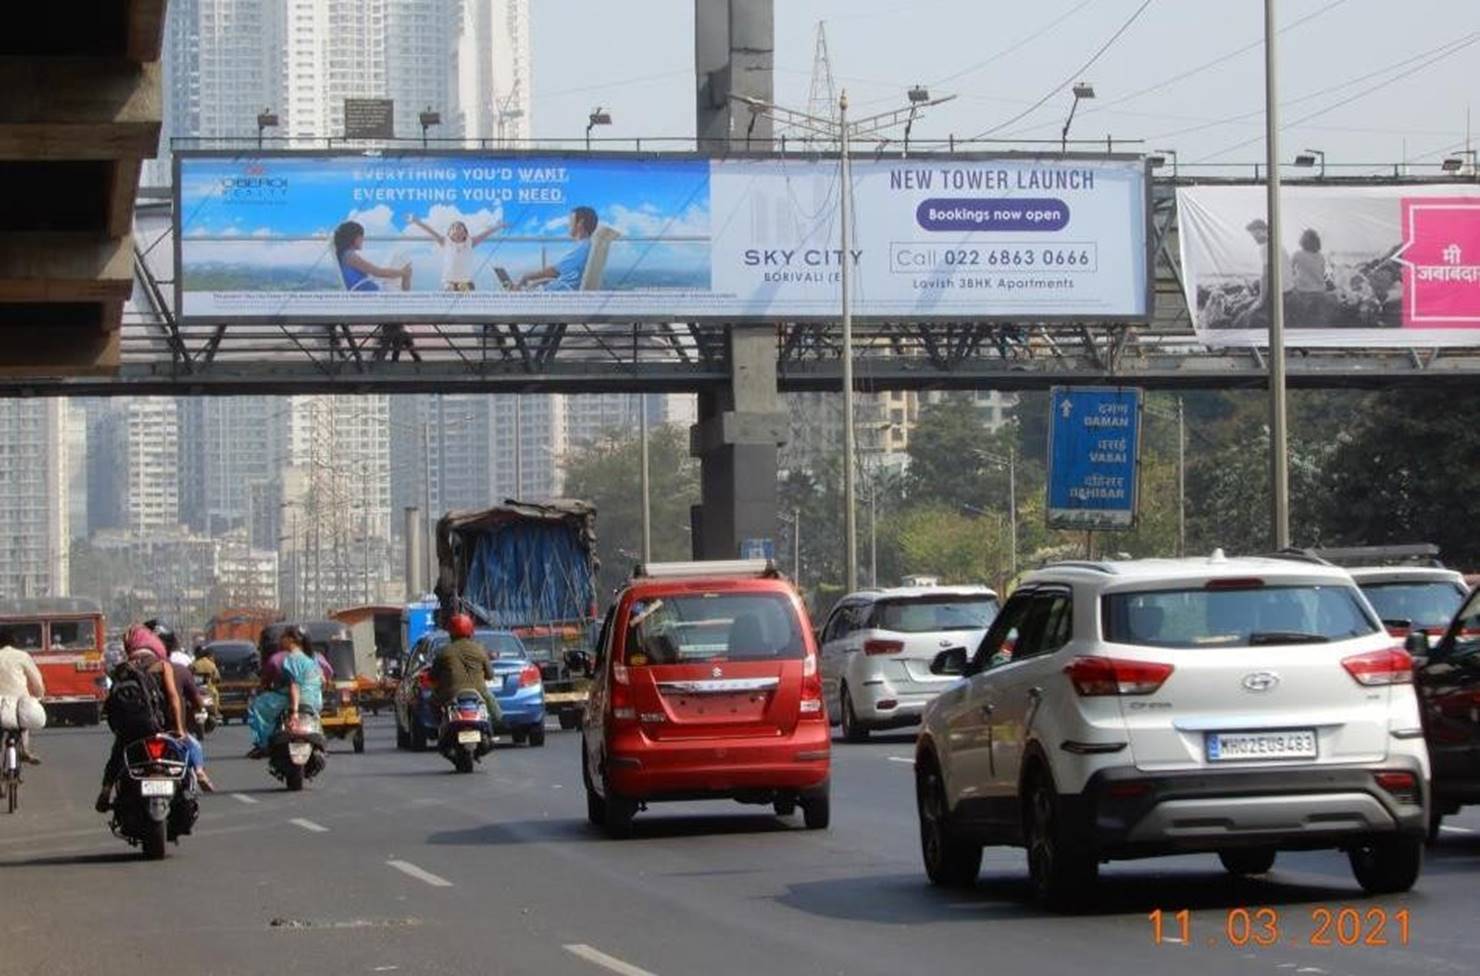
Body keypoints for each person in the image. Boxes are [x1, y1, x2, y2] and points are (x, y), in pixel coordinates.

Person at [96, 625, 186, 813]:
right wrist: (179, 729)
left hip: (130, 733)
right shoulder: (162, 665)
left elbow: (111, 705)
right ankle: (188, 790)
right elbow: (173, 698)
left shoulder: (123, 669)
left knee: (117, 755)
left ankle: (105, 791)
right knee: (184, 756)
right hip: (158, 728)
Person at [246, 626, 325, 759]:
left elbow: (295, 686)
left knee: (257, 706)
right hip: (315, 702)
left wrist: (294, 711)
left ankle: (263, 744)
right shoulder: (312, 660)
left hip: (297, 699)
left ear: (291, 640)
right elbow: (322, 681)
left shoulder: (291, 659)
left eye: (282, 638)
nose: (280, 641)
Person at [406, 213, 505, 291]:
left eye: (460, 228)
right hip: (449, 282)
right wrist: (416, 221)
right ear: (450, 233)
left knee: (466, 298)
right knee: (449, 290)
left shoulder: (470, 242)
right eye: (454, 228)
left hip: (465, 282)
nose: (457, 230)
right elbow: (430, 231)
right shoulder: (446, 242)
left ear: (465, 233)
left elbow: (485, 234)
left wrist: (498, 226)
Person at [430, 613, 500, 725]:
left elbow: (432, 676)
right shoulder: (479, 650)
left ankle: (437, 725)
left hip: (450, 694)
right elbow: (490, 675)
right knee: (493, 704)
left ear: (450, 633)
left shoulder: (444, 651)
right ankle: (497, 725)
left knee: (431, 700)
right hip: (479, 692)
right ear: (471, 632)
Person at [517, 206, 598, 292]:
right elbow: (560, 273)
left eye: (571, 221)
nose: (567, 225)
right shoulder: (585, 247)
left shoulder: (582, 248)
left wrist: (525, 277)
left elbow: (554, 271)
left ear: (580, 223)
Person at [1234, 218, 1294, 331]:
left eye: (1256, 233)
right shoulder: (1278, 244)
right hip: (1288, 289)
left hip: (1280, 293)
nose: (1255, 237)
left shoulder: (1265, 248)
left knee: (1244, 311)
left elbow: (1266, 275)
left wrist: (1261, 300)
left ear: (1265, 231)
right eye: (1253, 235)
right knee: (1255, 285)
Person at [0, 627, 46, 765]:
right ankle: (25, 750)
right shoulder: (22, 656)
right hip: (19, 701)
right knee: (23, 723)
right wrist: (39, 696)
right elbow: (36, 681)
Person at [333, 220, 412, 292]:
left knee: (399, 259)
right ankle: (406, 291)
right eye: (361, 236)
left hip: (368, 289)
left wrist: (402, 273)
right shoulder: (350, 256)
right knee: (403, 260)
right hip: (372, 294)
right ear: (354, 238)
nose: (362, 240)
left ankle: (406, 286)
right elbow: (378, 272)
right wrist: (402, 272)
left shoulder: (345, 255)